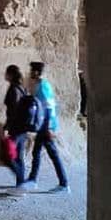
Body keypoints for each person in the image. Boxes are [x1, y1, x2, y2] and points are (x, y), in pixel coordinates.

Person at [25, 61, 69, 194]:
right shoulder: (40, 85)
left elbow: (50, 107)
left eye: (32, 71)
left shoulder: (43, 86)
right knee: (36, 152)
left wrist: (50, 127)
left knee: (53, 154)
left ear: (37, 72)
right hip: (42, 125)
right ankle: (33, 180)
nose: (30, 73)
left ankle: (64, 184)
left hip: (45, 126)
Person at [2, 65, 29, 190]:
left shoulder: (14, 90)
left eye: (7, 73)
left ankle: (22, 182)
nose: (5, 75)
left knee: (7, 156)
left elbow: (12, 112)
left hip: (15, 127)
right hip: (23, 127)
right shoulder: (22, 88)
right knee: (18, 156)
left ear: (11, 75)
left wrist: (6, 128)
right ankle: (20, 183)